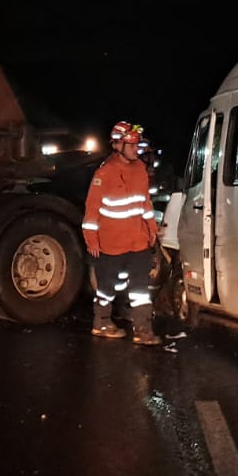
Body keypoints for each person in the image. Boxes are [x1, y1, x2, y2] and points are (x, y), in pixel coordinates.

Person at [82, 120, 163, 345]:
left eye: (137, 145)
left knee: (140, 288)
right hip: (111, 244)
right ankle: (102, 322)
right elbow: (92, 209)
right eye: (131, 145)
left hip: (138, 242)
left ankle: (143, 329)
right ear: (118, 145)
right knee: (107, 287)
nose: (136, 149)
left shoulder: (140, 169)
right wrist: (92, 240)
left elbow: (145, 202)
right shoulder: (105, 172)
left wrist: (152, 229)